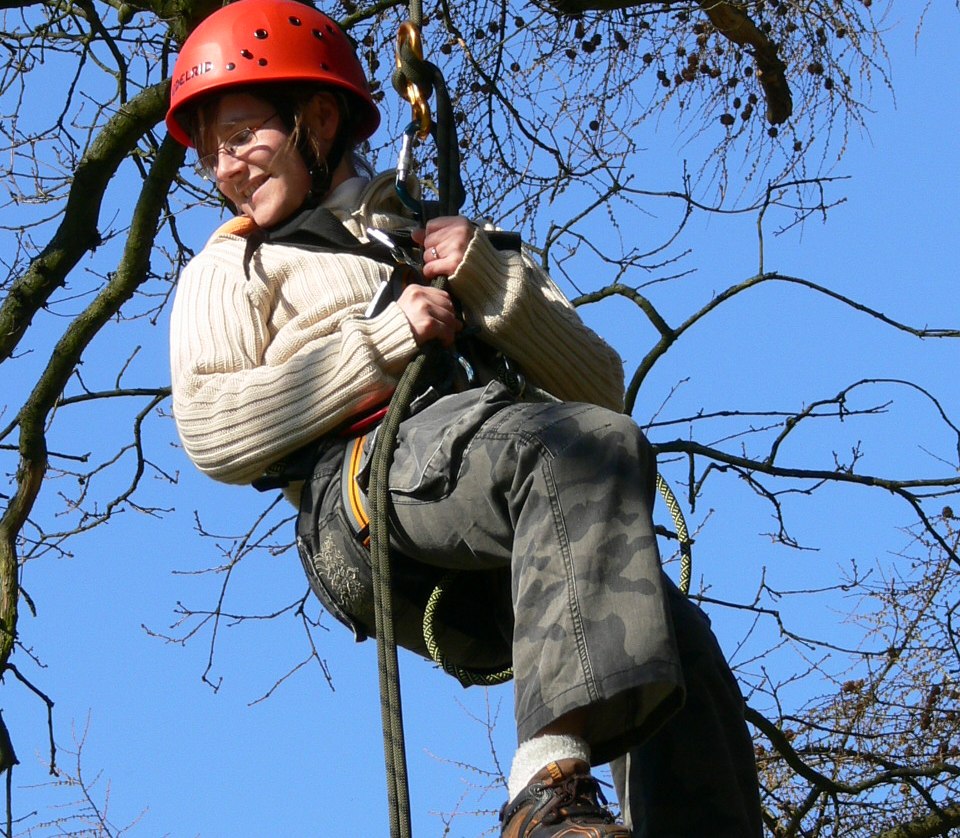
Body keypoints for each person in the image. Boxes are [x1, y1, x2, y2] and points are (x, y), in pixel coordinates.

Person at [165, 1, 763, 835]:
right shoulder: (235, 265)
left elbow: (602, 391)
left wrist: (485, 281)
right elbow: (210, 428)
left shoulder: (442, 238)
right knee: (566, 450)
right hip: (370, 491)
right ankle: (547, 790)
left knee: (674, 629)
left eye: (240, 136)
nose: (224, 166)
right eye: (209, 150)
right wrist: (381, 342)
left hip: (501, 492)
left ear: (319, 119)